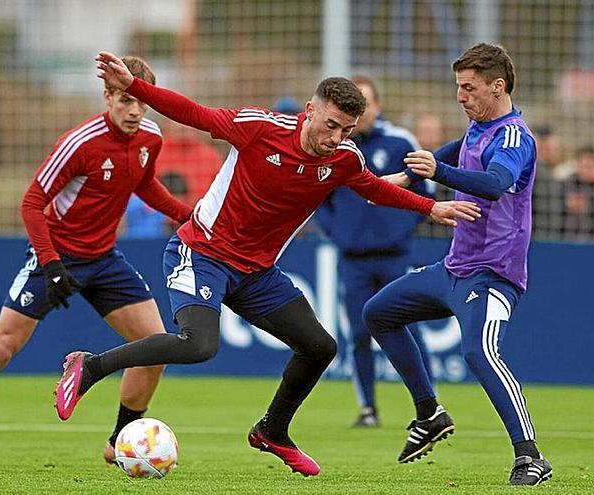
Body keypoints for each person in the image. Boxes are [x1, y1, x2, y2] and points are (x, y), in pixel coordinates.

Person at [51, 51, 482, 477]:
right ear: (310, 110)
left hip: (257, 274)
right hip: (202, 253)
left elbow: (371, 187)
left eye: (346, 130)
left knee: (320, 347)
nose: (335, 137)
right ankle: (89, 367)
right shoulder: (260, 128)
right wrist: (135, 86)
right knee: (198, 345)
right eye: (330, 125)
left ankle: (273, 431)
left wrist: (429, 208)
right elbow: (194, 113)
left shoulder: (344, 157)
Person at [0, 56, 192, 466]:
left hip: (105, 259)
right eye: (125, 100)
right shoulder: (80, 143)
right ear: (108, 96)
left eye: (141, 102)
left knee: (156, 346)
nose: (135, 110)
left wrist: (187, 216)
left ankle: (119, 440)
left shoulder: (150, 137)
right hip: (53, 256)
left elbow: (143, 184)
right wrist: (52, 265)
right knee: (0, 349)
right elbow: (32, 203)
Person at [369, 43, 552, 486]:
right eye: (458, 87)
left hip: (494, 274)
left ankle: (531, 456)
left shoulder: (514, 137)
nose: (461, 96)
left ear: (498, 86)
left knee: (479, 353)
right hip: (454, 268)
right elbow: (456, 150)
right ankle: (429, 412)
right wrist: (412, 174)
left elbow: (494, 183)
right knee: (378, 313)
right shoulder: (478, 127)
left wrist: (435, 172)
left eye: (468, 88)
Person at [315, 76, 435, 428]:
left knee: (409, 329)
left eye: (364, 104)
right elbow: (320, 197)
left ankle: (428, 406)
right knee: (359, 333)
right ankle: (368, 409)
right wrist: (339, 231)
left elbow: (425, 191)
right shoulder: (335, 148)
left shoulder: (400, 142)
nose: (360, 112)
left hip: (395, 256)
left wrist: (399, 229)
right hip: (353, 260)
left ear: (377, 107)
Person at [560, 144, 594, 240]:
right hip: (568, 240)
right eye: (586, 166)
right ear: (577, 165)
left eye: (592, 166)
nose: (589, 170)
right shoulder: (566, 185)